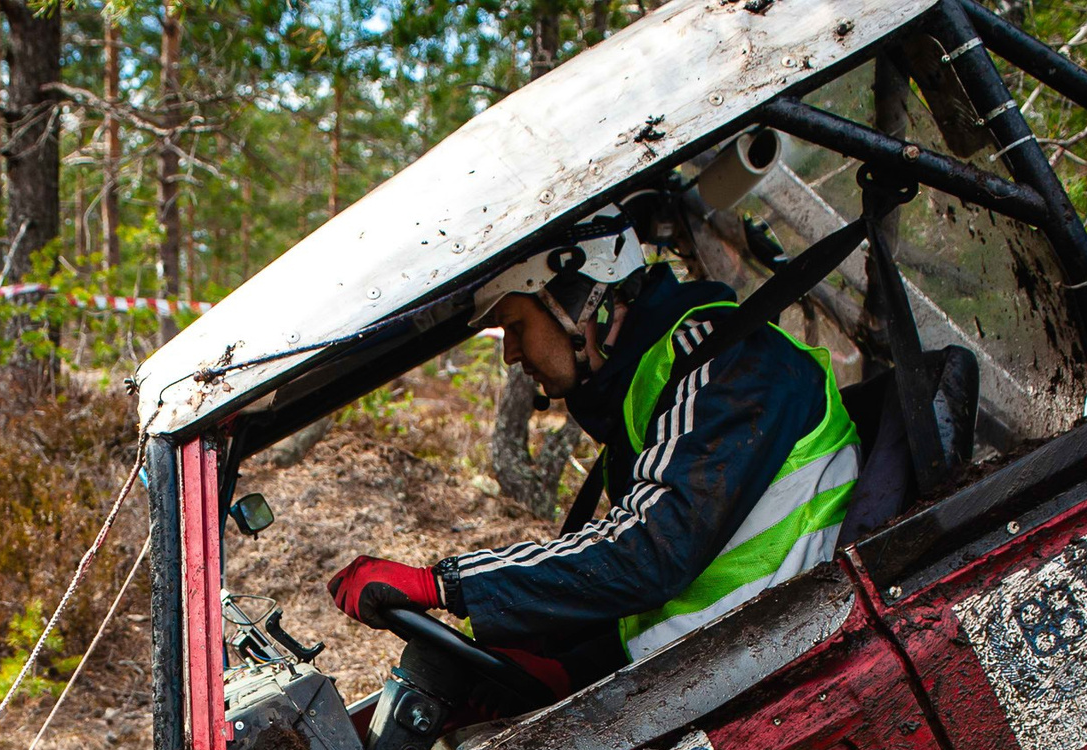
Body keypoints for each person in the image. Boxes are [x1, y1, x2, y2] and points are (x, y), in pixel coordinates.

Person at [326, 206, 859, 702]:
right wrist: (567, 662)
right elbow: (657, 588)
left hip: (787, 671)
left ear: (580, 295)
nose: (511, 353)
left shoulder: (732, 363)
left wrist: (440, 583)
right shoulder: (656, 387)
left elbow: (650, 554)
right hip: (708, 666)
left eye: (515, 326)